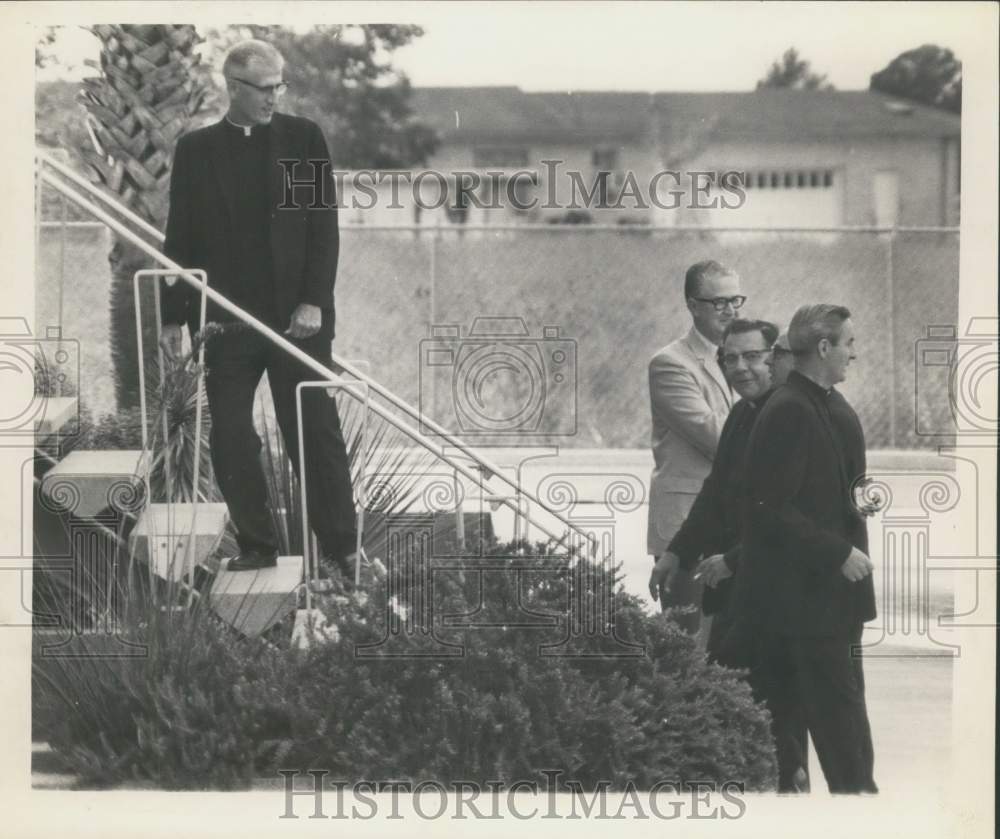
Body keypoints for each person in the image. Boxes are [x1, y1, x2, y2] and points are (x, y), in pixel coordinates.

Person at [159, 39, 358, 575]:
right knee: (229, 431)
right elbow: (180, 238)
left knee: (313, 432)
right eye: (264, 88)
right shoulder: (197, 150)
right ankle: (258, 545)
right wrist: (173, 316)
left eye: (280, 86)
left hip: (297, 320)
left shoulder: (303, 138)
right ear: (234, 87)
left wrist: (313, 301)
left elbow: (323, 228)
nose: (275, 97)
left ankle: (343, 550)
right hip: (227, 321)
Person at [648, 318, 809, 793]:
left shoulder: (790, 415)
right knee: (733, 691)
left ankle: (792, 799)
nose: (740, 367)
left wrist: (734, 559)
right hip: (739, 588)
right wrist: (676, 552)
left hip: (781, 591)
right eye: (729, 358)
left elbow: (793, 512)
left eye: (752, 356)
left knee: (774, 705)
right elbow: (716, 493)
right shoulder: (742, 414)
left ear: (776, 358)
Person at [740, 304, 878, 794]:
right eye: (848, 343)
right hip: (809, 606)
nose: (854, 354)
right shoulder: (792, 409)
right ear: (823, 348)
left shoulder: (818, 403)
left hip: (820, 602)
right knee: (842, 734)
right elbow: (768, 507)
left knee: (836, 724)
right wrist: (837, 552)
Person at [647, 260, 742, 635]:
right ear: (692, 304)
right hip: (687, 523)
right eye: (719, 302)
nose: (731, 310)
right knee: (690, 644)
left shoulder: (740, 357)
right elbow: (717, 438)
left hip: (733, 526)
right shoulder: (670, 364)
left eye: (736, 300)